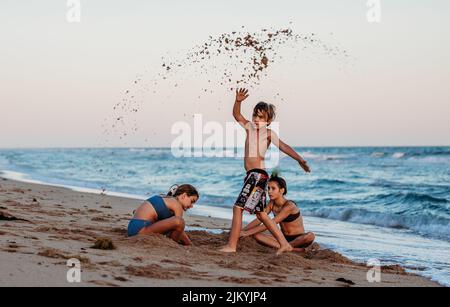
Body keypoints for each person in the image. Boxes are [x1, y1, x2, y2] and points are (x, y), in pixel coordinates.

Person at [219, 88, 311, 255]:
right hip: (254, 176)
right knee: (261, 214)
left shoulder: (268, 133)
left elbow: (284, 146)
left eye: (261, 117)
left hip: (257, 175)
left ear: (268, 121)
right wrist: (238, 101)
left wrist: (299, 159)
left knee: (238, 208)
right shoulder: (249, 128)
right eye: (255, 115)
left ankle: (231, 246)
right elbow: (236, 115)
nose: (256, 119)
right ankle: (284, 244)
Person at [240, 175, 315, 252]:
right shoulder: (271, 203)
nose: (269, 191)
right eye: (268, 188)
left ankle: (287, 246)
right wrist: (243, 231)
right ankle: (292, 249)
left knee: (310, 235)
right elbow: (259, 219)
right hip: (284, 238)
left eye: (273, 188)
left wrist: (247, 233)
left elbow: (271, 223)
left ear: (282, 190)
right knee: (256, 235)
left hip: (299, 239)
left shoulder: (289, 206)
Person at [127, 184, 199, 245]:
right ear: (184, 195)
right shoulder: (176, 205)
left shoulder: (164, 198)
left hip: (132, 228)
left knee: (169, 222)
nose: (192, 205)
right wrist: (189, 243)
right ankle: (172, 243)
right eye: (192, 201)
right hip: (140, 231)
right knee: (179, 222)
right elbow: (179, 227)